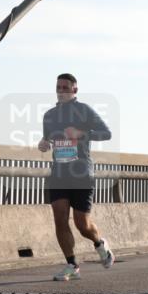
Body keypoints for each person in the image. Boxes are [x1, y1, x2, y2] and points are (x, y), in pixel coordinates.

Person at [37, 73, 114, 281]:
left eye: (65, 87)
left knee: (83, 225)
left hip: (81, 174)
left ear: (74, 90)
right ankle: (72, 265)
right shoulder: (49, 115)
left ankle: (100, 244)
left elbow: (106, 133)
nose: (61, 91)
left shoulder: (84, 110)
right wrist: (44, 144)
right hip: (59, 174)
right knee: (60, 219)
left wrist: (81, 134)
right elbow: (48, 139)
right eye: (58, 87)